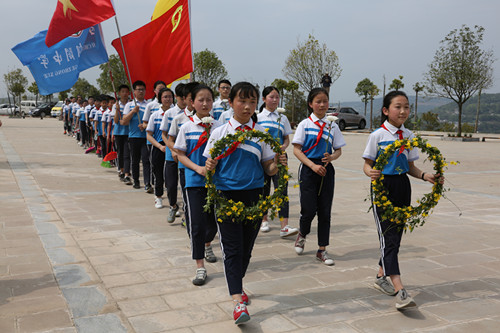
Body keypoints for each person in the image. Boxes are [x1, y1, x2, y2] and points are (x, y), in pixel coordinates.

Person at [204, 82, 286, 325]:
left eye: (252, 101)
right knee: (232, 249)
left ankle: (236, 283)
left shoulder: (262, 134)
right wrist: (210, 166)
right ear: (231, 103)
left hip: (254, 198)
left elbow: (268, 169)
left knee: (246, 250)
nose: (247, 106)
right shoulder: (219, 133)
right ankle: (238, 302)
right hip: (226, 196)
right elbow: (210, 165)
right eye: (242, 101)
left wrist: (277, 163)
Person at [362, 90, 443, 310]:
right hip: (382, 187)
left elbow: (410, 167)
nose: (403, 111)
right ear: (386, 110)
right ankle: (400, 290)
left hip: (402, 187)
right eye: (398, 106)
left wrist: (426, 176)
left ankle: (381, 275)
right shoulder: (377, 135)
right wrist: (370, 172)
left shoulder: (408, 136)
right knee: (388, 235)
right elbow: (367, 164)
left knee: (396, 234)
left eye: (406, 106)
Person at [292, 87, 345, 266]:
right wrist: (313, 165)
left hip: (326, 170)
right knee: (308, 209)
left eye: (325, 101)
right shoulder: (305, 124)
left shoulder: (333, 125)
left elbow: (338, 150)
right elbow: (296, 150)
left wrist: (331, 157)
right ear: (310, 104)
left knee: (325, 211)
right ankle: (302, 234)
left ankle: (322, 249)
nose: (322, 105)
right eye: (318, 101)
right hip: (308, 168)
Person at [174, 84, 221, 286]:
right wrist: (197, 168)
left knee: (214, 224)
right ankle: (200, 266)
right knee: (197, 225)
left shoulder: (220, 127)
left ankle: (208, 243)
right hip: (194, 182)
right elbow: (179, 154)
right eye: (200, 99)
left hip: (218, 184)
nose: (204, 103)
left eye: (208, 99)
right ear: (191, 102)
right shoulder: (186, 127)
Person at [257, 86, 298, 237]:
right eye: (271, 97)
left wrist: (283, 147)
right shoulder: (259, 118)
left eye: (277, 97)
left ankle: (284, 225)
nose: (274, 100)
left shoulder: (283, 118)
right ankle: (264, 220)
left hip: (280, 159)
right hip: (263, 159)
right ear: (264, 99)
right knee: (263, 190)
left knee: (282, 189)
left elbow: (287, 138)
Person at [167, 82, 199, 227]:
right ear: (185, 99)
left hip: (203, 164)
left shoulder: (210, 120)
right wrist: (175, 150)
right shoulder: (179, 119)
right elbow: (170, 139)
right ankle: (188, 218)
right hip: (184, 164)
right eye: (192, 98)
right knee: (187, 193)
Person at [160, 83, 187, 223]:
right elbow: (164, 135)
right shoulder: (170, 114)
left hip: (187, 157)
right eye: (182, 98)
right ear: (177, 97)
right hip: (171, 155)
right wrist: (172, 150)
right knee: (170, 185)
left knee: (185, 186)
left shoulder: (193, 114)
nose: (184, 101)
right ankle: (173, 205)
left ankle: (186, 214)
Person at [121, 80, 151, 191]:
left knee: (146, 160)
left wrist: (145, 125)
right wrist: (133, 111)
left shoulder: (148, 105)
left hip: (146, 137)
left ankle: (147, 183)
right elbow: (124, 121)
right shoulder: (130, 105)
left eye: (143, 89)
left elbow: (150, 122)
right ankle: (136, 180)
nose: (141, 92)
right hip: (133, 137)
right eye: (138, 90)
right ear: (134, 91)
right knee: (135, 160)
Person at [147, 87, 174, 208]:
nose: (168, 99)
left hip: (173, 147)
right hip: (159, 147)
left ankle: (172, 202)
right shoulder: (155, 115)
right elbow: (149, 135)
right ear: (160, 99)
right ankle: (158, 197)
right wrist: (159, 146)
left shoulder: (176, 114)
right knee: (158, 173)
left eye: (170, 96)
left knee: (171, 176)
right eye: (165, 97)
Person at [113, 85, 132, 185]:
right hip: (118, 133)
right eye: (122, 91)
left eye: (126, 91)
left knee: (127, 153)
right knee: (120, 153)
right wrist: (117, 109)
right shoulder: (116, 105)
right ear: (119, 93)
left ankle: (127, 174)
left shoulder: (131, 104)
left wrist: (125, 120)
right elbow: (116, 121)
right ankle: (121, 170)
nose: (125, 93)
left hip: (129, 132)